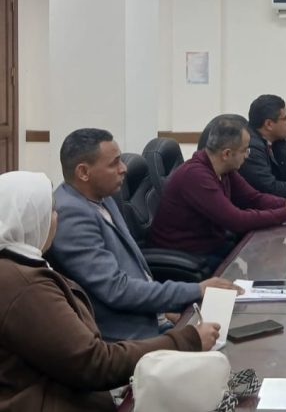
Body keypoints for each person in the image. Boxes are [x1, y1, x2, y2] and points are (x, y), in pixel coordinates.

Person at [0, 171, 220, 411]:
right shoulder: (25, 286)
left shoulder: (17, 267)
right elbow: (95, 363)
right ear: (29, 219)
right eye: (51, 211)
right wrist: (187, 340)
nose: (57, 218)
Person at [48, 128, 240, 341]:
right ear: (83, 172)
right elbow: (116, 289)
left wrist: (163, 312)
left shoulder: (103, 197)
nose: (124, 169)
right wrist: (196, 290)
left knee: (232, 328)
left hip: (153, 317)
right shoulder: (72, 215)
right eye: (114, 163)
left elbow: (134, 273)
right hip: (128, 338)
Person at [150, 114, 286, 266]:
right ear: (226, 154)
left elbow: (254, 198)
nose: (247, 156)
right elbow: (237, 220)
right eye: (245, 150)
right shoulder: (196, 176)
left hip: (211, 246)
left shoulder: (224, 169)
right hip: (187, 255)